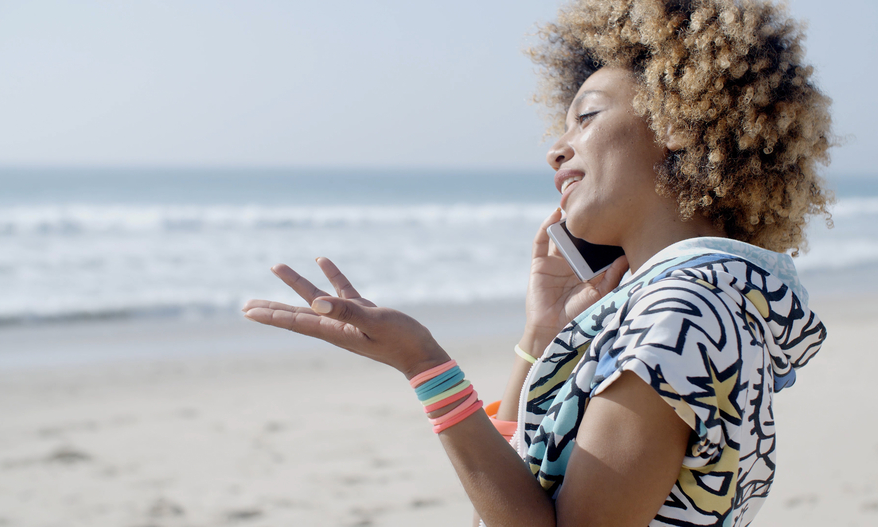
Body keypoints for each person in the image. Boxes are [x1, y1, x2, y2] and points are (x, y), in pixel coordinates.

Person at [242, 0, 834, 525]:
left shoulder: (681, 311)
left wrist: (425, 367)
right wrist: (540, 336)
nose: (556, 147)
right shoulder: (700, 300)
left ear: (677, 122)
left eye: (588, 116)